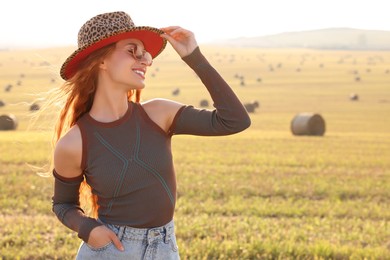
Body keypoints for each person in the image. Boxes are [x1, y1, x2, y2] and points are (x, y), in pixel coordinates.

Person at [51, 11, 251, 259]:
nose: (147, 60)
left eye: (146, 53)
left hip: (166, 247)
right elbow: (63, 205)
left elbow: (234, 121)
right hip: (112, 250)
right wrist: (88, 228)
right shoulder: (74, 142)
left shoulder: (158, 113)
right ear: (100, 60)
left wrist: (193, 56)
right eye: (133, 50)